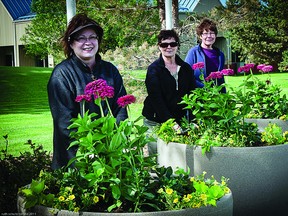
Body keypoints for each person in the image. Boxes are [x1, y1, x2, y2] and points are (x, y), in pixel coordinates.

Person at [47, 14, 128, 169]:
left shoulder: (110, 70)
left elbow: (121, 107)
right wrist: (90, 147)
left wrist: (118, 138)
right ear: (71, 43)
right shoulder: (62, 74)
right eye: (81, 38)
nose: (88, 43)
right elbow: (64, 123)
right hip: (76, 158)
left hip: (110, 155)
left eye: (92, 37)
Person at [142, 29, 196, 155]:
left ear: (177, 45)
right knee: (156, 157)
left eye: (173, 44)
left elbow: (193, 96)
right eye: (164, 44)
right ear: (159, 47)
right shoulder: (154, 70)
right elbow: (156, 99)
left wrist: (194, 121)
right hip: (155, 121)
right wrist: (171, 123)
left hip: (179, 120)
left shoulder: (186, 68)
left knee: (176, 157)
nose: (169, 47)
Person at [185, 18, 226, 92]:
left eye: (212, 33)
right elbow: (186, 75)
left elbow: (221, 79)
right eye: (205, 33)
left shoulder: (220, 55)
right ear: (200, 36)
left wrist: (224, 96)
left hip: (216, 96)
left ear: (215, 35)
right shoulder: (193, 52)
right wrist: (204, 88)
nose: (209, 36)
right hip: (199, 95)